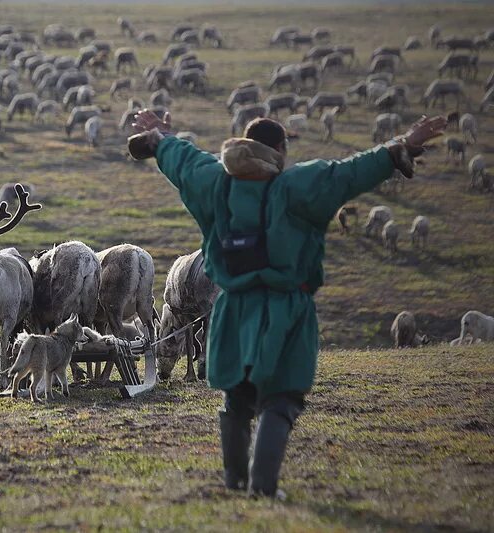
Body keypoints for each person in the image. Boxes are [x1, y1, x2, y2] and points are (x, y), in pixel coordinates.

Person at [129, 111, 446, 498]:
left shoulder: (215, 183)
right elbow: (349, 173)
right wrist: (401, 146)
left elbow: (182, 159)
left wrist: (159, 137)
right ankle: (262, 488)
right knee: (281, 398)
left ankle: (235, 482)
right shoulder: (296, 187)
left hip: (233, 308)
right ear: (279, 150)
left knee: (238, 399)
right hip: (285, 310)